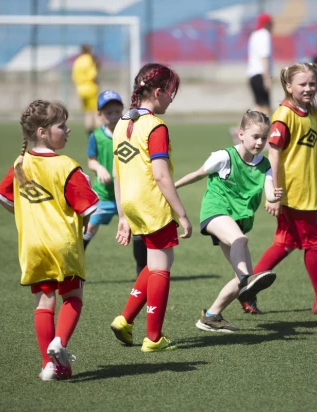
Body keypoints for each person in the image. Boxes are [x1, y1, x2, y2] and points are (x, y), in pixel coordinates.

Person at [242, 62, 317, 315]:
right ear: (288, 86)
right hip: (293, 193)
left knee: (286, 242)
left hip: (303, 190)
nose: (309, 88)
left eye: (312, 83)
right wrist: (274, 193)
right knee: (314, 243)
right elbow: (272, 153)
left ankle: (247, 287)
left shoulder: (310, 112)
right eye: (302, 84)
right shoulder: (284, 115)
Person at [0, 100, 99, 381]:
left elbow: (2, 197)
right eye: (61, 126)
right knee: (73, 297)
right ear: (42, 132)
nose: (68, 130)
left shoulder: (20, 163)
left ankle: (49, 365)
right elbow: (89, 208)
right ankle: (59, 342)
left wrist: (30, 214)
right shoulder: (65, 166)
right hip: (62, 244)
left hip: (32, 245)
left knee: (44, 302)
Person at [109, 63, 192, 352]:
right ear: (157, 92)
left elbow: (117, 172)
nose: (172, 98)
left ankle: (124, 319)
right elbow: (160, 175)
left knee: (156, 262)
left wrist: (122, 214)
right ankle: (154, 338)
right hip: (152, 203)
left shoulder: (120, 124)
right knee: (161, 267)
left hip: (131, 203)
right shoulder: (155, 126)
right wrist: (181, 214)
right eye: (171, 92)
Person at [175, 110, 282, 333]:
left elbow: (270, 193)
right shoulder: (224, 156)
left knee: (241, 277)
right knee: (240, 242)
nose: (260, 142)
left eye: (264, 138)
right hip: (216, 212)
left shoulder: (265, 165)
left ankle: (211, 316)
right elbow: (197, 174)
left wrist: (275, 196)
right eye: (255, 137)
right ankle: (246, 279)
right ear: (240, 134)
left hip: (237, 220)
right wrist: (170, 187)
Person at [83, 89, 148, 275]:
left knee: (137, 231)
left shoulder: (130, 133)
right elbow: (91, 160)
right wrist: (100, 168)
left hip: (128, 194)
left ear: (123, 111)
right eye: (108, 113)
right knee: (89, 228)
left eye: (116, 112)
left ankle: (141, 271)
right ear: (99, 115)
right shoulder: (96, 136)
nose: (113, 116)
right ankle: (72, 267)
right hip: (103, 195)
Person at [231, 13, 274, 144]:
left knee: (258, 106)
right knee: (265, 108)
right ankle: (269, 137)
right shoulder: (264, 35)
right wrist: (267, 77)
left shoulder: (255, 35)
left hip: (252, 74)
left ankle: (237, 129)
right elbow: (264, 56)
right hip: (260, 73)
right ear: (267, 23)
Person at [72, 44, 100, 137]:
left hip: (80, 89)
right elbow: (93, 75)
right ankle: (100, 133)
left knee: (88, 112)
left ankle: (89, 133)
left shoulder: (77, 61)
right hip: (90, 87)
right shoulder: (90, 59)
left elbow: (74, 76)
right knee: (97, 111)